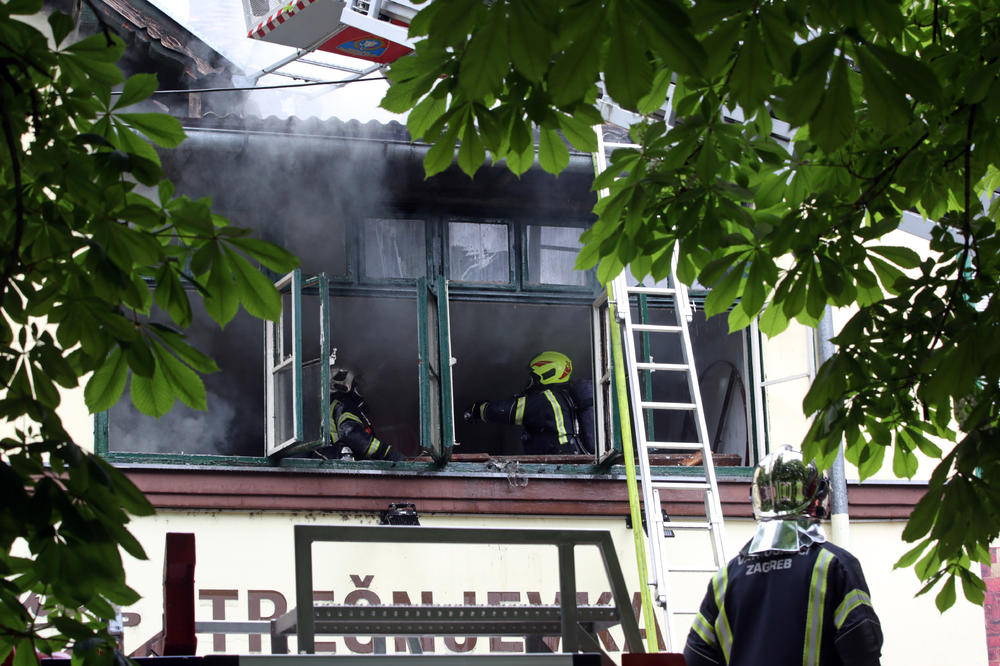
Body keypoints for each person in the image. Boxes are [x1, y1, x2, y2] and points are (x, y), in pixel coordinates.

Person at [683, 445, 883, 666]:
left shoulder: (725, 579)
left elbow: (695, 657)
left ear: (757, 499)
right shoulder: (835, 566)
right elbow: (864, 649)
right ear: (817, 497)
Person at [463, 351, 592, 455]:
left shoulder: (545, 400)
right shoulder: (565, 397)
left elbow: (504, 410)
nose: (529, 381)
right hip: (571, 456)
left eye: (533, 377)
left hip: (560, 459)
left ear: (546, 373)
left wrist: (478, 409)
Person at [313, 367, 402, 462]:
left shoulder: (327, 405)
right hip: (336, 460)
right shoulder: (344, 404)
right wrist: (387, 452)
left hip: (326, 459)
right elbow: (351, 433)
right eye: (358, 386)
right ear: (345, 386)